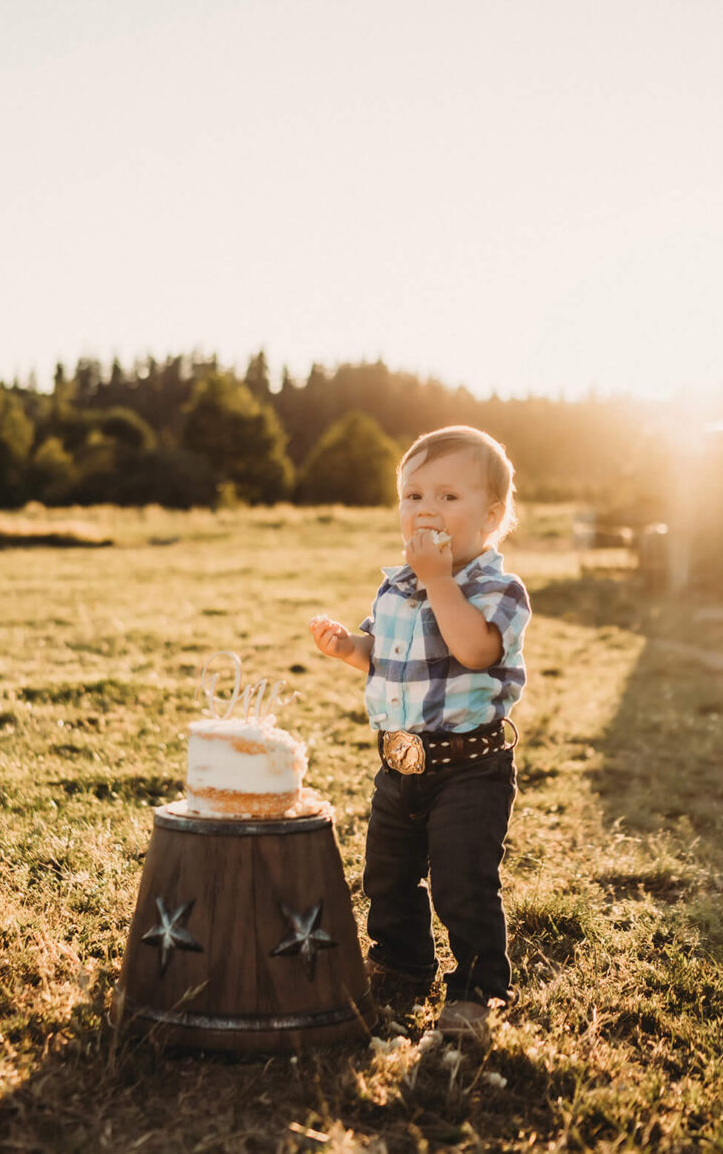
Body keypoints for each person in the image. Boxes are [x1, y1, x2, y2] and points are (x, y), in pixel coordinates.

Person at [309, 425, 530, 1046]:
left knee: (463, 880)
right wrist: (348, 646)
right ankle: (403, 965)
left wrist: (439, 580)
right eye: (412, 496)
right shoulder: (396, 587)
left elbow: (474, 650)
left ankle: (477, 987)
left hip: (469, 769)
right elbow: (385, 656)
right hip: (399, 765)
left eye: (447, 497)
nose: (426, 509)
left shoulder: (496, 590)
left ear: (490, 519)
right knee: (387, 874)